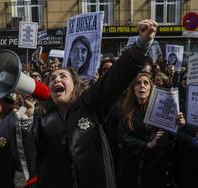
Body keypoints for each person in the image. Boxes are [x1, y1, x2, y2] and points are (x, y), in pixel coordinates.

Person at [32, 19, 158, 188]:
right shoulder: (41, 118)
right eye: (52, 78)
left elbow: (115, 78)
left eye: (63, 76)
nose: (57, 79)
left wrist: (141, 44)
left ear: (75, 85)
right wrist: (25, 121)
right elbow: (31, 156)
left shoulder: (89, 104)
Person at [116, 72, 185, 188]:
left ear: (150, 88)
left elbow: (167, 143)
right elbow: (122, 137)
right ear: (133, 88)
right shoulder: (125, 110)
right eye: (138, 83)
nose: (142, 86)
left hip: (154, 167)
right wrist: (146, 145)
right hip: (131, 167)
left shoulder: (160, 110)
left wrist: (176, 127)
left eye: (145, 83)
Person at [0, 95, 36, 188]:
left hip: (6, 181)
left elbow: (24, 150)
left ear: (7, 104)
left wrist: (26, 120)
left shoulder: (13, 123)